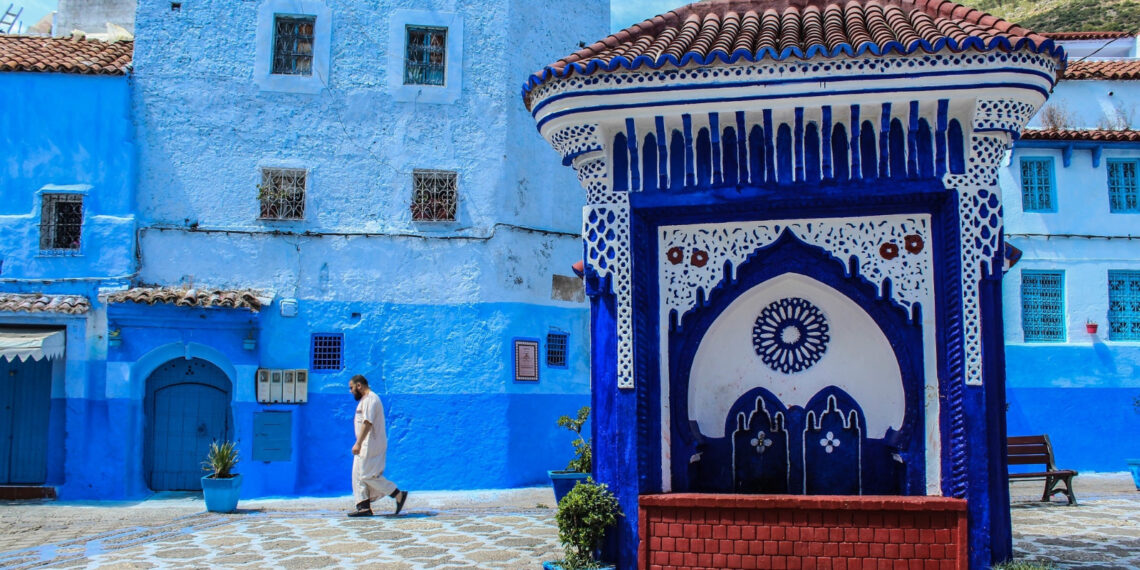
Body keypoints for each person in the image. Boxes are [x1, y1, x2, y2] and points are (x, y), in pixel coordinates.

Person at [347, 374, 408, 517]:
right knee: (357, 474)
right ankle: (363, 507)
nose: (350, 391)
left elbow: (368, 423)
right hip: (365, 444)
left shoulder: (371, 399)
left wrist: (358, 443)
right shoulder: (364, 400)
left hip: (370, 443)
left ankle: (397, 494)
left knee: (367, 475)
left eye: (351, 388)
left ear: (359, 385)